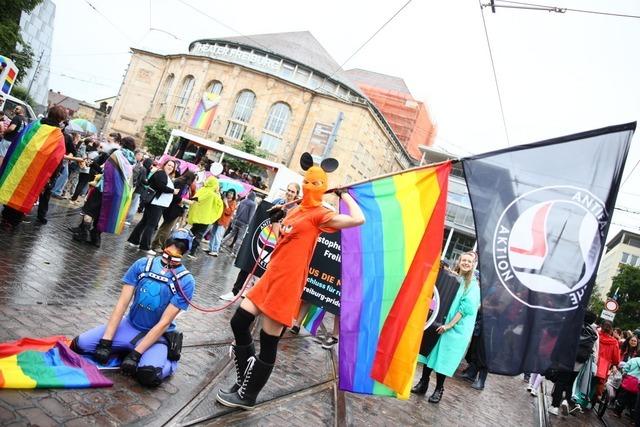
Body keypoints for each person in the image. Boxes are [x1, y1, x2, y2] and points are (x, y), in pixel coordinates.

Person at [215, 153, 364, 410]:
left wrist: (345, 196)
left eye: (316, 183)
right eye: (307, 181)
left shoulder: (321, 214)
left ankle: (248, 395)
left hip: (288, 282)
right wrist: (277, 216)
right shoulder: (295, 209)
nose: (309, 186)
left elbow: (358, 219)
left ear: (324, 186)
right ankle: (245, 377)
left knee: (268, 339)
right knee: (239, 321)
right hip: (271, 275)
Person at [70, 229, 196, 387]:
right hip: (129, 325)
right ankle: (123, 348)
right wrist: (106, 341)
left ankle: (169, 361)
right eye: (172, 246)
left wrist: (137, 354)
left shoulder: (186, 281)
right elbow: (122, 304)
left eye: (179, 248)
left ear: (185, 251)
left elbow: (164, 322)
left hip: (156, 337)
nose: (173, 251)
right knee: (78, 345)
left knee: (148, 376)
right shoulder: (143, 264)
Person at [411, 252, 480, 403]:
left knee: (443, 360)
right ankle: (423, 383)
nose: (466, 263)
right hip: (440, 322)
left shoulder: (473, 285)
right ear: (459, 261)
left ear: (473, 264)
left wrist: (449, 325)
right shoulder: (453, 278)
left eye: (469, 261)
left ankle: (439, 389)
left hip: (455, 329)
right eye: (464, 260)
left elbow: (464, 309)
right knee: (430, 354)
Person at [220, 182, 301, 301]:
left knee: (265, 273)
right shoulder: (278, 202)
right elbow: (264, 214)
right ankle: (234, 292)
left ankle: (256, 297)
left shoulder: (296, 210)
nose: (289, 193)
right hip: (265, 238)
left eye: (292, 191)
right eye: (288, 190)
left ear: (297, 194)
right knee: (248, 264)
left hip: (278, 245)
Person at [0, 106, 67, 229]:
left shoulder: (34, 125)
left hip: (19, 165)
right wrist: (52, 177)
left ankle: (5, 216)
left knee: (12, 187)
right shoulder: (58, 136)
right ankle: (11, 222)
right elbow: (57, 159)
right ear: (61, 119)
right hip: (36, 172)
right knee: (25, 194)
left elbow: (19, 141)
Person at [127, 160, 179, 255]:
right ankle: (144, 246)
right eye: (169, 165)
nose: (170, 167)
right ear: (165, 165)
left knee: (145, 222)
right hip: (156, 204)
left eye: (172, 166)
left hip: (156, 203)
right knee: (151, 225)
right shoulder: (161, 173)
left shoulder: (163, 174)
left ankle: (134, 241)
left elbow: (150, 182)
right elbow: (161, 186)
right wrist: (173, 191)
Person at [151, 171, 196, 251]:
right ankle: (157, 245)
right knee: (166, 228)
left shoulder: (181, 182)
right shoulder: (181, 183)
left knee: (166, 228)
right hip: (173, 208)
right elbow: (176, 197)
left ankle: (159, 244)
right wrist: (186, 201)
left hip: (174, 208)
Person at [184, 176, 223, 259]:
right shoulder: (213, 195)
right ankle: (192, 252)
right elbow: (220, 205)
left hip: (196, 217)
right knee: (199, 235)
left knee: (192, 233)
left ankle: (183, 247)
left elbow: (195, 200)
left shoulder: (201, 190)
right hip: (205, 219)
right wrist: (218, 194)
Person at [222, 191, 257, 256]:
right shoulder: (253, 204)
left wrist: (235, 218)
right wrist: (249, 224)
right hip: (244, 223)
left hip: (237, 220)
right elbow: (251, 215)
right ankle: (234, 253)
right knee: (239, 238)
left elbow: (237, 210)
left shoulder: (243, 201)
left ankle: (221, 243)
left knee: (231, 234)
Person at [594, 321, 621, 400]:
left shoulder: (596, 335)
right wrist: (615, 363)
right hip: (604, 365)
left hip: (593, 361)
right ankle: (595, 397)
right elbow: (616, 358)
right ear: (611, 329)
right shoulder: (614, 342)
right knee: (599, 382)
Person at [207, 189, 237, 256]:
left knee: (218, 236)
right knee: (212, 234)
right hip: (217, 219)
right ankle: (210, 248)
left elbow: (229, 212)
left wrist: (226, 203)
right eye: (229, 193)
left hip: (223, 221)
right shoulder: (223, 199)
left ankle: (215, 251)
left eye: (232, 193)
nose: (230, 194)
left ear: (234, 195)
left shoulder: (233, 202)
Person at [51, 131, 80, 199]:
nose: (79, 139)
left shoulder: (70, 141)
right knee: (63, 175)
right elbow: (70, 152)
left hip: (65, 160)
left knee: (63, 175)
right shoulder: (68, 139)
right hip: (64, 160)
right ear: (75, 138)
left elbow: (72, 152)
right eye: (78, 137)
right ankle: (55, 191)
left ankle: (57, 191)